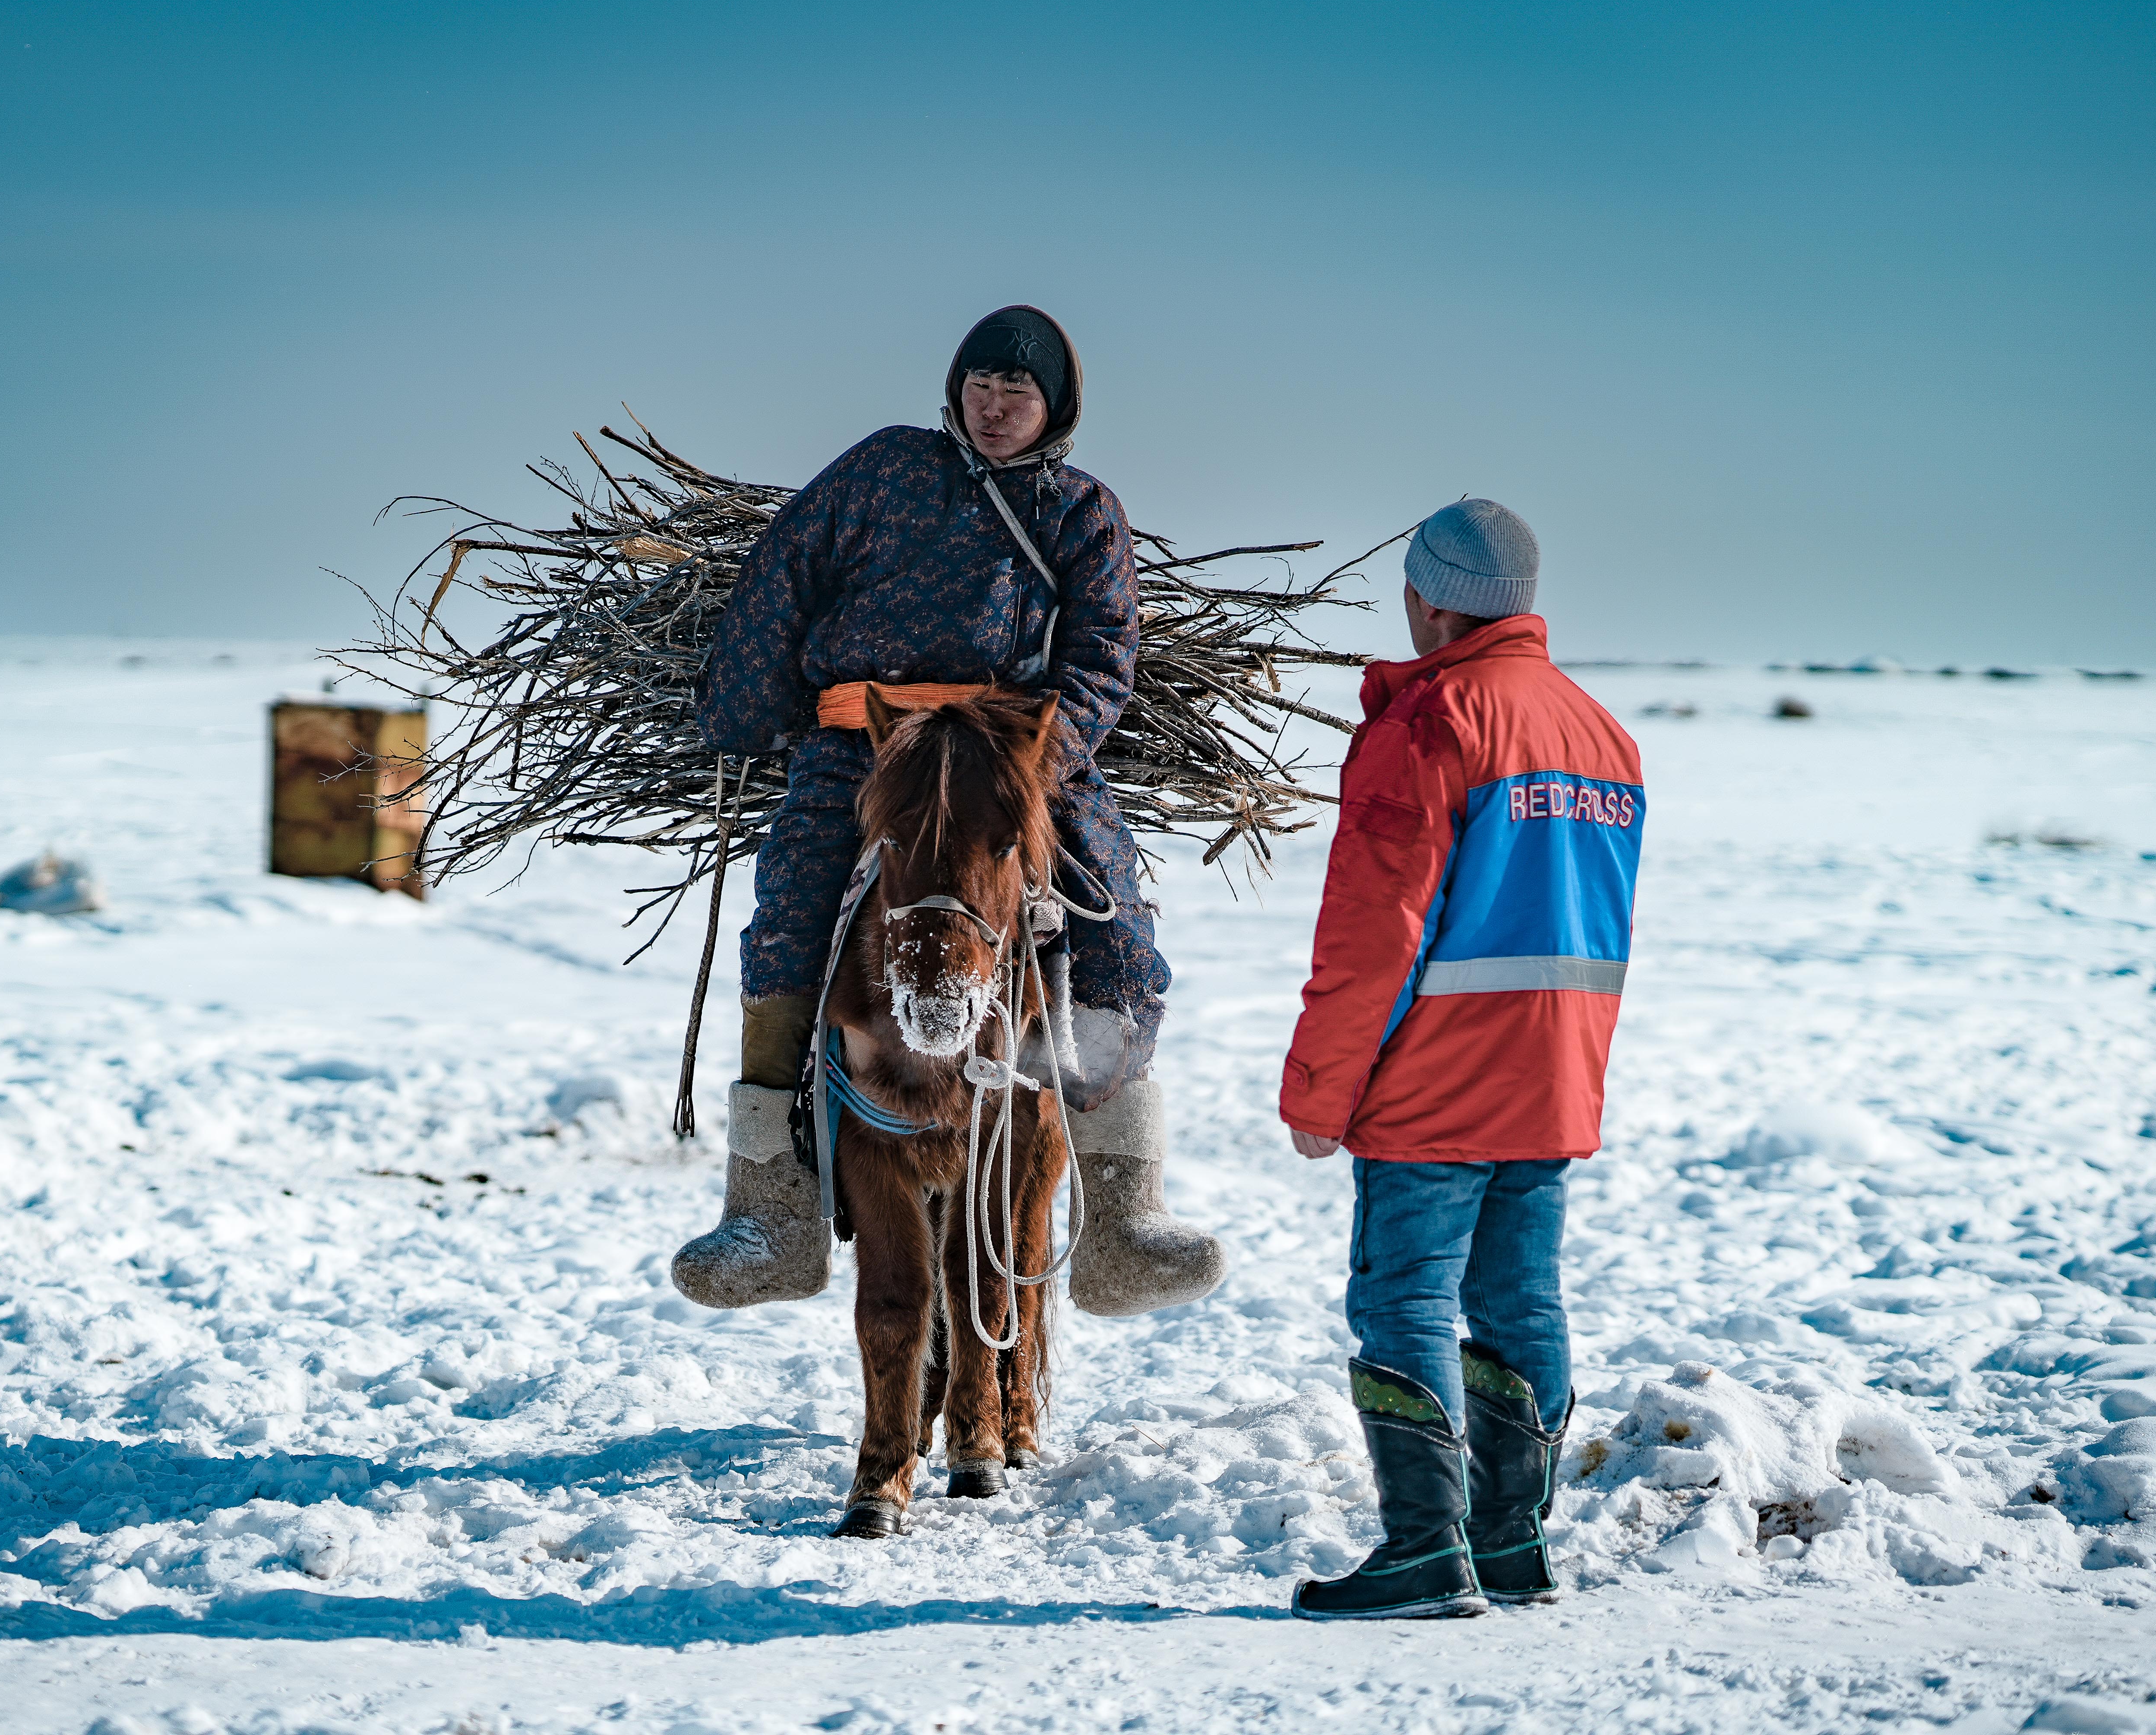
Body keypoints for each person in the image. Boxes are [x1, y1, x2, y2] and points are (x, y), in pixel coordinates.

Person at [672, 304, 1227, 1319]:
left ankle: (1122, 1213)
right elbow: (783, 573)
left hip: (1011, 752)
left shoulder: (1082, 510)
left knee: (1115, 926)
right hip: (865, 740)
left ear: (1055, 407)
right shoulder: (881, 469)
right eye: (981, 385)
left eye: (1018, 392)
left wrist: (1036, 763)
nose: (996, 404)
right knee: (792, 912)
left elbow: (1106, 648)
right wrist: (741, 710)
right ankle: (776, 1206)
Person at [1279, 497, 1644, 1622]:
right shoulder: (1602, 734)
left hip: (1436, 1074)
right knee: (1521, 1299)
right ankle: (1512, 1541)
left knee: (1406, 1300)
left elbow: (1373, 929)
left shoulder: (1435, 722)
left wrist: (1320, 1091)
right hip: (1556, 1069)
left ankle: (1423, 1551)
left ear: (1430, 600)